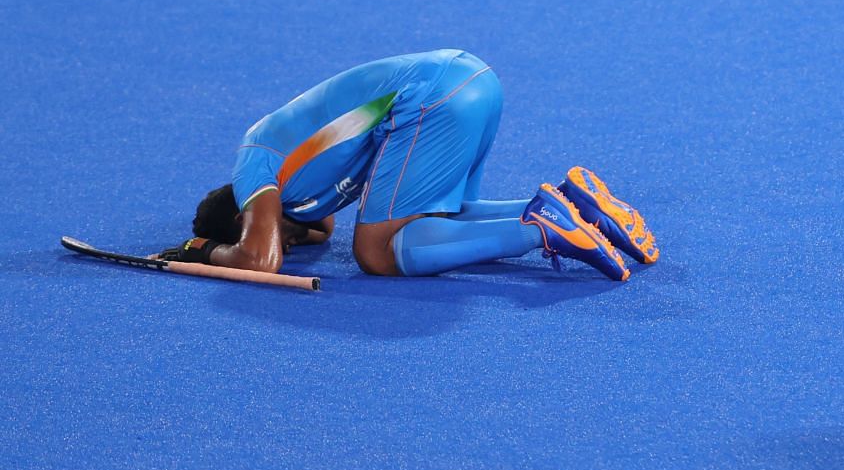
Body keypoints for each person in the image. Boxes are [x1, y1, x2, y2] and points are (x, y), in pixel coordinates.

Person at [157, 49, 659, 281]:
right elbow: (318, 231)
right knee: (438, 222)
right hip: (473, 78)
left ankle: (539, 229)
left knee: (376, 253)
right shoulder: (300, 191)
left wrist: (204, 251)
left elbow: (258, 262)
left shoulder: (254, 165)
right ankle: (577, 207)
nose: (289, 240)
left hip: (429, 98)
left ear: (246, 217)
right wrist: (284, 232)